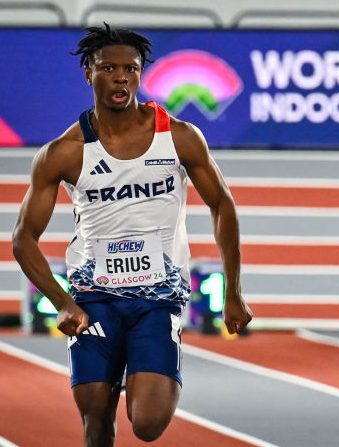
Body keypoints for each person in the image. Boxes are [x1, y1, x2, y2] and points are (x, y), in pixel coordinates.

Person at [12, 23, 253, 446]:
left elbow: (223, 205)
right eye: (109, 68)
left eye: (131, 69)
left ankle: (147, 357)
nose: (121, 77)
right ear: (89, 73)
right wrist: (61, 302)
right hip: (93, 299)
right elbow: (23, 238)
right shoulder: (64, 153)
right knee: (96, 417)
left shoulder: (178, 137)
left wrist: (234, 291)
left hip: (157, 301)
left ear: (141, 75)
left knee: (147, 423)